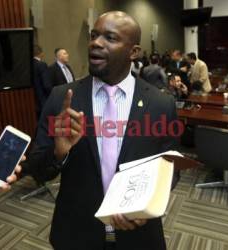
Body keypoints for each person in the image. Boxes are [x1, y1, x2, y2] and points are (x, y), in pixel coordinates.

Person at [25, 11, 179, 250]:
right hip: (76, 235)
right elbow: (37, 169)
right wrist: (59, 153)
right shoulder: (61, 99)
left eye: (110, 37)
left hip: (139, 236)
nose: (96, 42)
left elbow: (170, 170)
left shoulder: (160, 104)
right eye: (94, 35)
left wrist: (148, 207)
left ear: (134, 52)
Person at [33, 45, 51, 118]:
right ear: (41, 53)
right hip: (43, 102)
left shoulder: (27, 66)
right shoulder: (41, 65)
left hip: (32, 102)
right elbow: (47, 85)